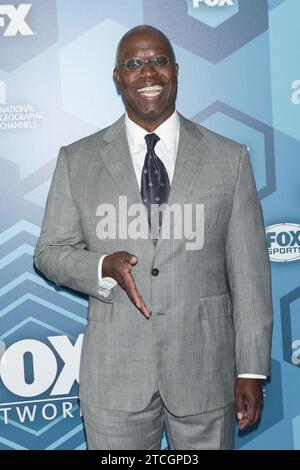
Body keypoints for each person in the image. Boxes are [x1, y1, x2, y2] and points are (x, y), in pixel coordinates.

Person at [34, 25, 273, 450]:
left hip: (205, 374)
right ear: (117, 77)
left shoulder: (228, 158)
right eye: (134, 64)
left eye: (159, 61)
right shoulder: (77, 160)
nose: (149, 73)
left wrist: (251, 370)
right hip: (114, 379)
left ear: (176, 70)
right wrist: (101, 265)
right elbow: (49, 254)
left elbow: (249, 273)